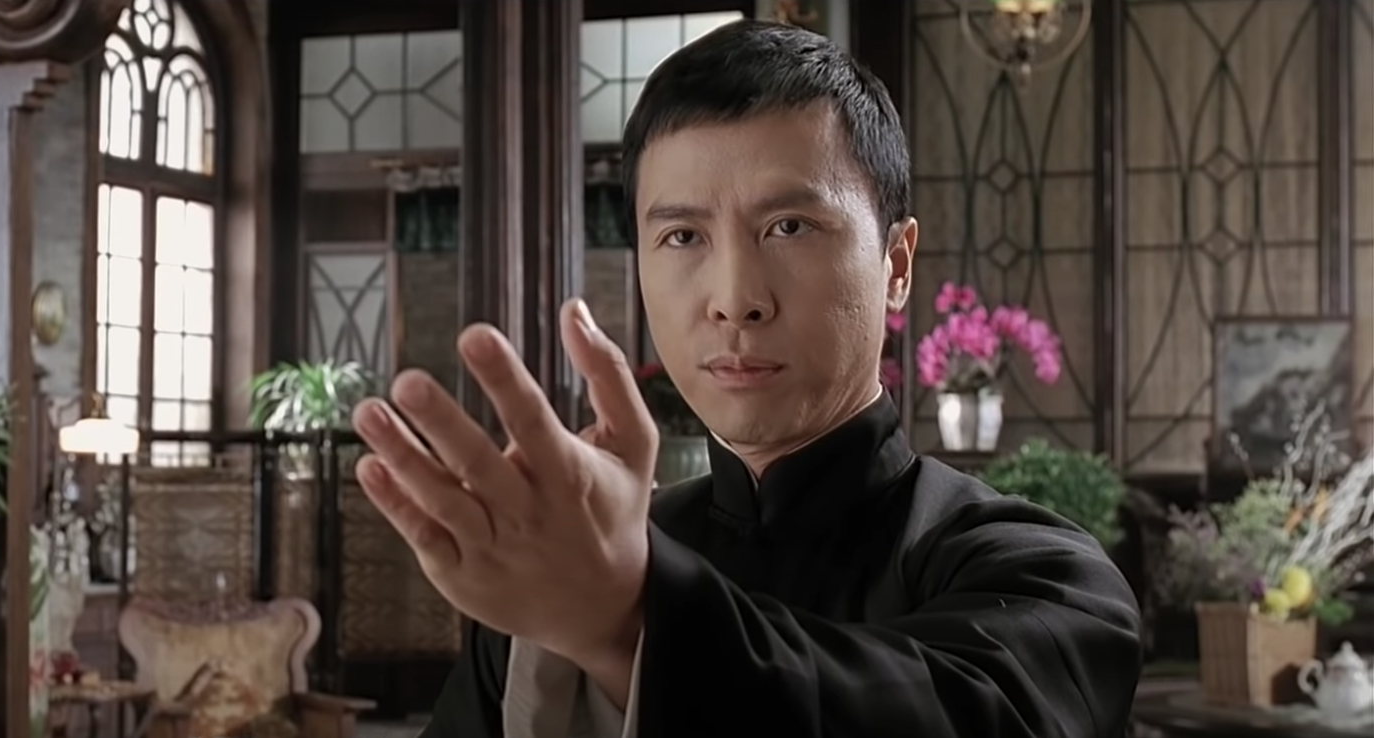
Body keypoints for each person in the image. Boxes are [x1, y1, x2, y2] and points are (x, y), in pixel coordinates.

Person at [350, 18, 1142, 738]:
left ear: (896, 263)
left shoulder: (1044, 578)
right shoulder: (576, 575)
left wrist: (630, 620)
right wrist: (603, 603)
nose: (735, 299)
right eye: (683, 236)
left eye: (789, 226)